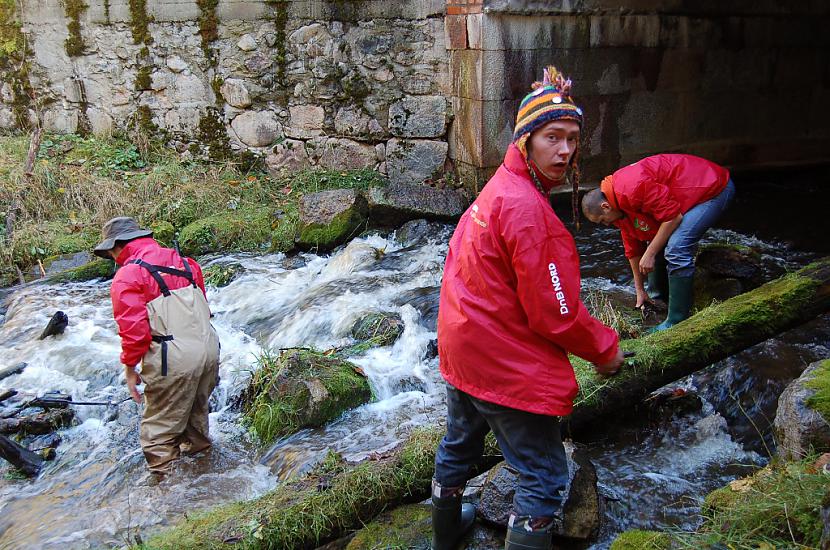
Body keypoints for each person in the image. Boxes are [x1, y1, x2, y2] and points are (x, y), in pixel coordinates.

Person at [432, 66, 624, 550]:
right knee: (542, 474)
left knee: (458, 443)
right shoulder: (528, 212)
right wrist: (605, 349)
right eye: (551, 137)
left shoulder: (498, 187)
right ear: (525, 140)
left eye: (572, 138)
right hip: (499, 359)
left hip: (463, 344)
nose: (564, 151)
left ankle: (446, 534)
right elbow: (555, 313)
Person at [94, 217, 220, 476]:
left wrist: (130, 368)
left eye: (110, 253)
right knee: (196, 427)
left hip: (173, 359)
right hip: (209, 350)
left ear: (117, 246)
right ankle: (207, 480)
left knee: (159, 435)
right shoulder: (187, 263)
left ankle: (168, 499)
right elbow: (203, 311)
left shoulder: (128, 275)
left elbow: (134, 332)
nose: (112, 258)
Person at [581, 155, 736, 331]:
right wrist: (640, 290)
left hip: (713, 188)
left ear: (605, 207)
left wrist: (650, 253)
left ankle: (677, 321)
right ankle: (657, 298)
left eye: (602, 221)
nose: (606, 225)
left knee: (676, 248)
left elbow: (672, 217)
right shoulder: (618, 207)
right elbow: (633, 250)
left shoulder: (631, 188)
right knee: (656, 243)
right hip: (684, 197)